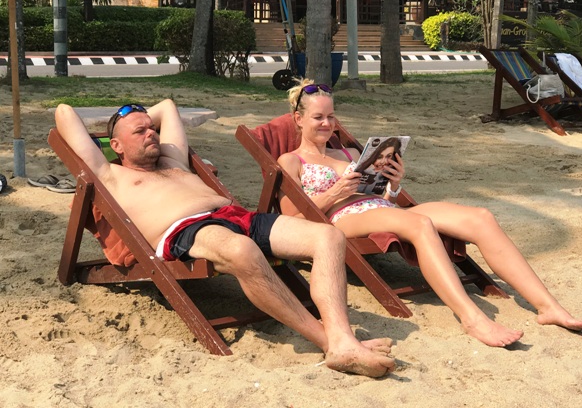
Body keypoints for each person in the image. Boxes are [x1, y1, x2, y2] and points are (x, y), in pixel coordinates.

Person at [54, 99, 395, 378]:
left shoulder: (172, 158)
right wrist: (120, 117)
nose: (151, 133)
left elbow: (168, 106)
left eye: (151, 128)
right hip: (186, 229)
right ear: (115, 145)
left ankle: (343, 337)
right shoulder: (109, 173)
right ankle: (330, 343)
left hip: (235, 215)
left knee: (328, 236)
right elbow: (64, 113)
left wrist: (136, 114)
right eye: (139, 131)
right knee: (242, 250)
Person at [277, 80, 582, 348]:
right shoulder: (291, 161)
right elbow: (293, 222)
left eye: (331, 116)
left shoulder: (350, 152)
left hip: (379, 208)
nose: (327, 123)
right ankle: (472, 318)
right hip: (342, 219)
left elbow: (381, 198)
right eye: (318, 117)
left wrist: (393, 184)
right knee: (419, 223)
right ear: (298, 119)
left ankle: (548, 307)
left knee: (480, 217)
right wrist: (335, 193)